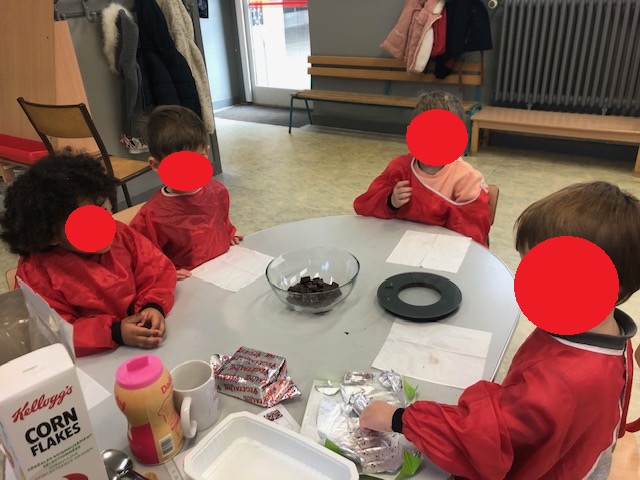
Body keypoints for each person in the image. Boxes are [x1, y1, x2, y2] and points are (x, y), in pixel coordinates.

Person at [359, 181, 640, 479]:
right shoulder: (611, 333)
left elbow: (487, 440)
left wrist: (401, 419)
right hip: (582, 452)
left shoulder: (557, 382)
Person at [0, 154, 177, 357]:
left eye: (103, 210)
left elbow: (157, 271)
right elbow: (53, 329)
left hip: (146, 348)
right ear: (51, 236)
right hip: (93, 361)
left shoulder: (122, 236)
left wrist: (152, 306)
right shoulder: (37, 273)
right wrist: (114, 332)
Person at [353, 91, 490, 246]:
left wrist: (436, 207)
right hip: (399, 245)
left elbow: (473, 234)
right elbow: (366, 206)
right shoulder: (400, 168)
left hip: (441, 250)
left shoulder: (466, 179)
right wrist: (391, 201)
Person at [129, 105, 241, 280]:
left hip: (226, 270)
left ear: (206, 152)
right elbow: (142, 257)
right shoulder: (151, 216)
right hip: (190, 281)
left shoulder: (218, 192)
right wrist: (164, 272)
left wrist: (228, 236)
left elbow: (222, 223)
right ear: (156, 165)